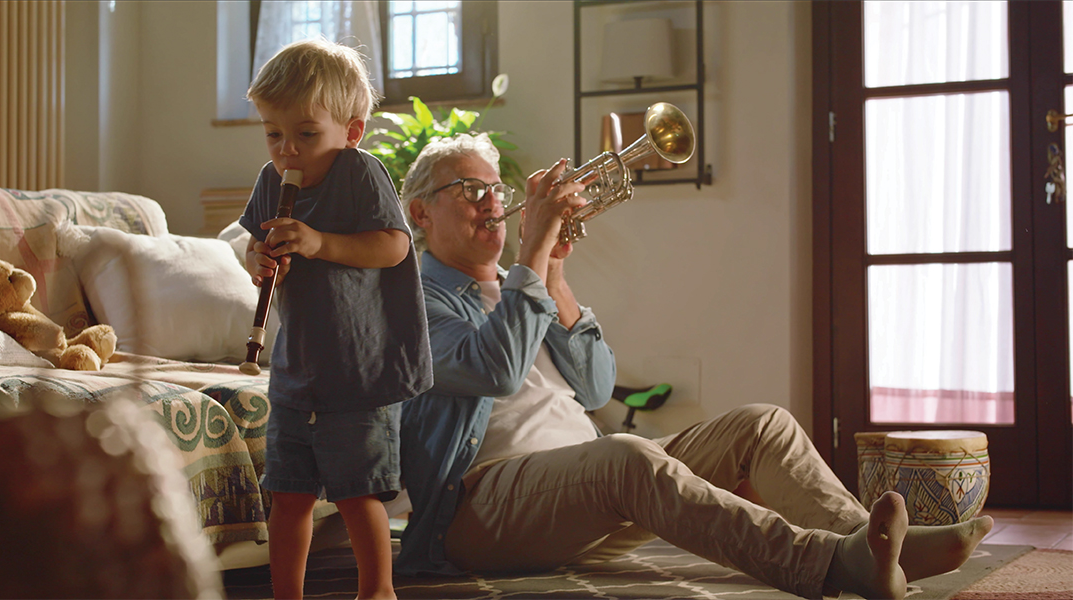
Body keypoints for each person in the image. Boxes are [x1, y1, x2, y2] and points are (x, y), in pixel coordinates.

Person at [395, 132, 994, 600]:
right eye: (471, 191)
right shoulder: (412, 303)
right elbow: (495, 371)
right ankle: (833, 563)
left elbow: (596, 385)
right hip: (481, 510)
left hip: (577, 492)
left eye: (497, 189)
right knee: (625, 456)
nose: (494, 204)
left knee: (764, 425)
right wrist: (531, 260)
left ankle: (881, 544)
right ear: (421, 214)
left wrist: (553, 274)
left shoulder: (524, 284)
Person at [240, 39, 432, 600]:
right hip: (297, 373)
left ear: (351, 131)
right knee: (289, 493)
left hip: (357, 373)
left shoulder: (360, 173)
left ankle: (378, 591)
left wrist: (320, 241)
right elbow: (253, 245)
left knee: (357, 492)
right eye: (274, 133)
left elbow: (393, 247)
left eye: (305, 133)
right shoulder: (271, 182)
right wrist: (258, 259)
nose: (287, 151)